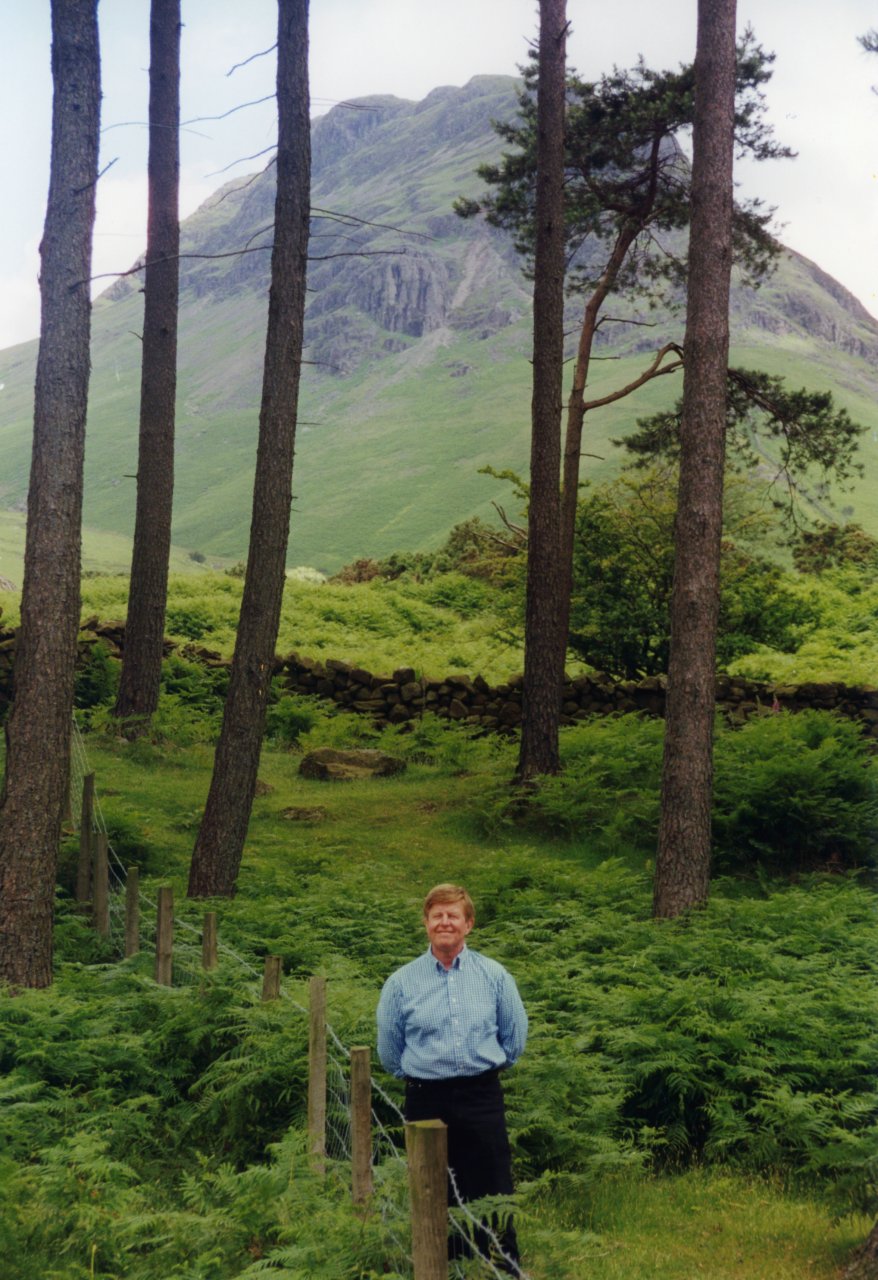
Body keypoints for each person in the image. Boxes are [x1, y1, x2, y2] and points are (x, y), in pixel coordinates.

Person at [376, 883, 527, 1273]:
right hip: (426, 1100)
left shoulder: (494, 976)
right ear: (426, 923)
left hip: (482, 1096)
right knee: (433, 1188)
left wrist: (484, 1072)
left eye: (453, 915)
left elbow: (514, 1038)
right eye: (437, 915)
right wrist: (417, 1077)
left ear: (468, 924)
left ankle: (502, 1266)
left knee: (493, 1185)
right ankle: (444, 1266)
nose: (445, 922)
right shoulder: (401, 983)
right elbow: (390, 1051)